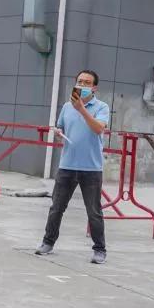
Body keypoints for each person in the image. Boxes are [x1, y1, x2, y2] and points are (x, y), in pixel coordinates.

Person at [34, 70, 110, 264]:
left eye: (87, 83)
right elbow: (60, 127)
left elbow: (99, 129)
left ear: (94, 88)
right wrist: (59, 132)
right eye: (79, 81)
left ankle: (100, 249)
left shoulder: (101, 107)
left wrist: (82, 109)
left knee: (93, 211)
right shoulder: (67, 107)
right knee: (57, 207)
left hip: (91, 168)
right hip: (67, 165)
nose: (82, 85)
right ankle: (48, 242)